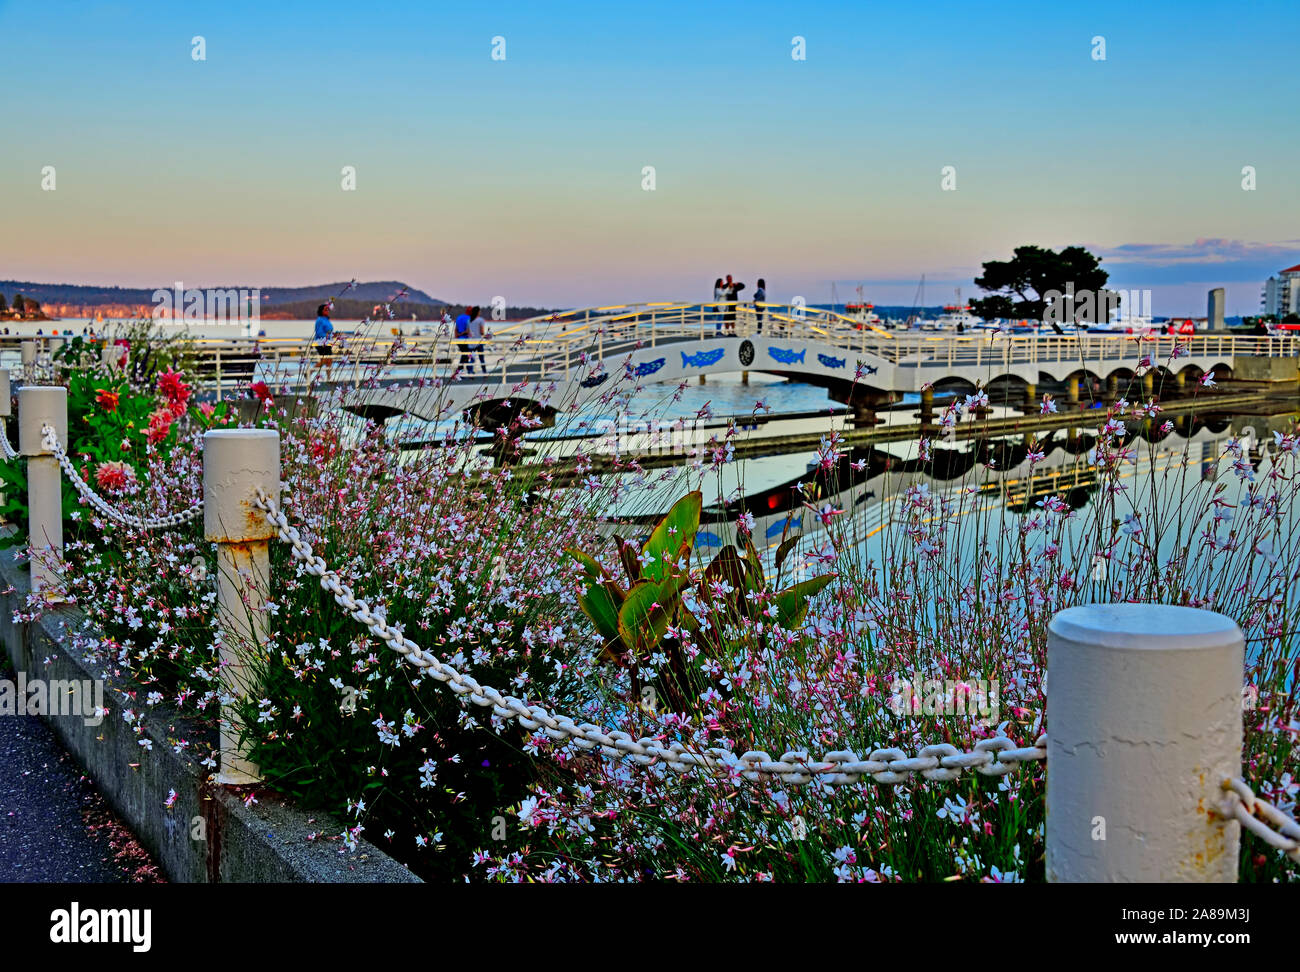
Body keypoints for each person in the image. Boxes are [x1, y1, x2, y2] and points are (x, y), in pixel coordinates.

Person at [313, 303, 336, 379]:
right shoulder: (319, 320)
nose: (328, 310)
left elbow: (329, 331)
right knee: (325, 360)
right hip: (320, 343)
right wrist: (329, 336)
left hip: (327, 343)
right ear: (321, 311)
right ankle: (309, 372)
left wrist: (334, 334)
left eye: (328, 309)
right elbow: (319, 333)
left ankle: (329, 378)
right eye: (325, 309)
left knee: (329, 360)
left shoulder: (326, 320)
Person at [468, 305, 488, 374]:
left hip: (471, 342)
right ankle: (484, 372)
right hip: (479, 342)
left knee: (471, 358)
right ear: (478, 312)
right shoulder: (480, 320)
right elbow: (482, 332)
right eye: (480, 311)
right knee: (481, 359)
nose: (480, 312)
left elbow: (468, 332)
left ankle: (470, 372)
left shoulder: (469, 320)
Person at [455, 306, 473, 372]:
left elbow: (456, 329)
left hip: (459, 340)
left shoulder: (459, 317)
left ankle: (465, 370)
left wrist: (457, 337)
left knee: (465, 355)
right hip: (466, 340)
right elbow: (468, 331)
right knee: (466, 355)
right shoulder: (470, 318)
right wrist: (462, 334)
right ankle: (460, 370)